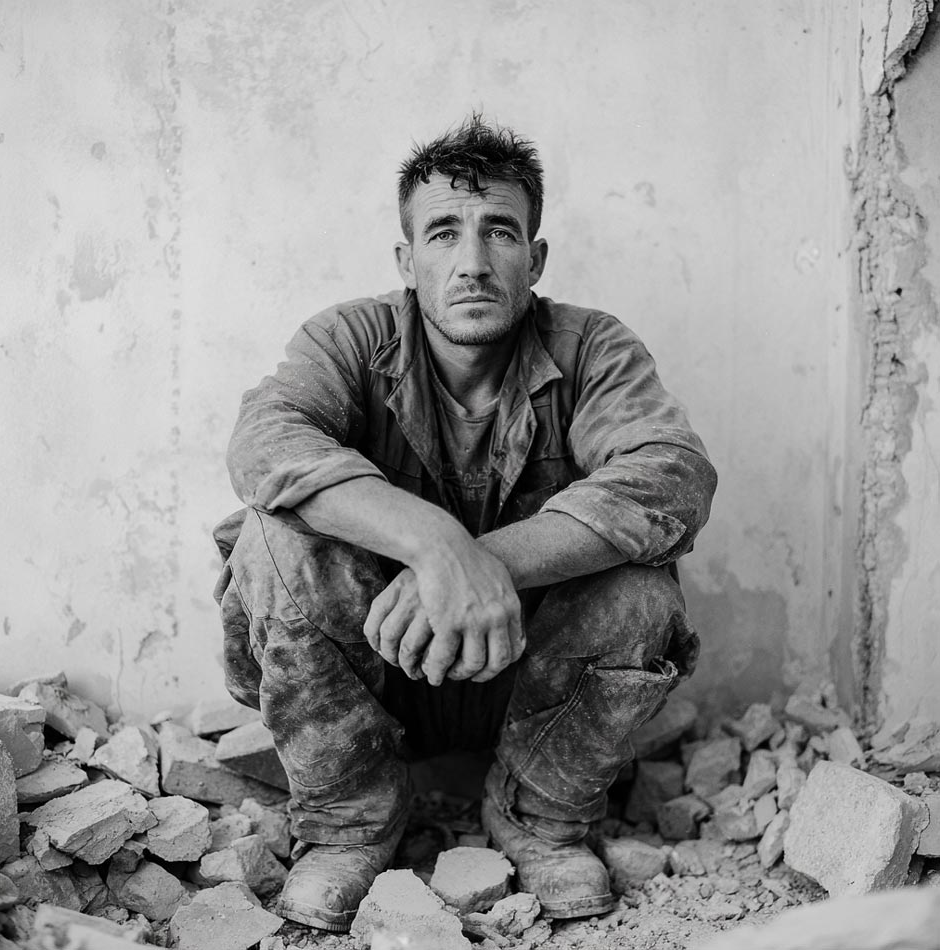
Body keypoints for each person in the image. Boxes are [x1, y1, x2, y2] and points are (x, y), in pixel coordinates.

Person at [213, 114, 717, 932]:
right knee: (272, 540)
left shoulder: (591, 348)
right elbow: (266, 443)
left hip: (530, 682)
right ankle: (349, 824)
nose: (473, 263)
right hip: (378, 669)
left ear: (536, 257)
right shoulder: (349, 336)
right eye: (444, 232)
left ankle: (539, 818)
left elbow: (673, 476)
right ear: (409, 261)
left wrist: (487, 563)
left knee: (641, 586)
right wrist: (436, 545)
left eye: (501, 233)